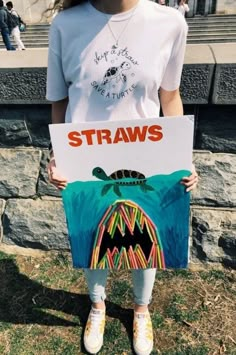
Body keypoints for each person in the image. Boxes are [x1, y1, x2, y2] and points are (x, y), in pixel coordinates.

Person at [46, 0, 198, 354]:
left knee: (146, 233)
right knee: (93, 234)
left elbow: (170, 97)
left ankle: (141, 309)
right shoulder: (65, 25)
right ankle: (97, 306)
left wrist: (182, 159)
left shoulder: (170, 22)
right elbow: (60, 101)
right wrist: (58, 154)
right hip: (86, 159)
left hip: (147, 157)